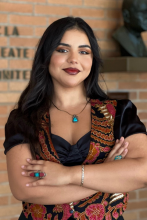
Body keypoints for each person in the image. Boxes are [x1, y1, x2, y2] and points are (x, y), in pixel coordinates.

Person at [3, 16, 147, 220]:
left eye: (83, 51)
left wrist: (66, 175)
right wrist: (108, 175)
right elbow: (25, 189)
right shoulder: (23, 118)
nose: (73, 59)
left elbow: (143, 172)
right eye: (62, 50)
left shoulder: (120, 112)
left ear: (92, 60)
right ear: (46, 56)